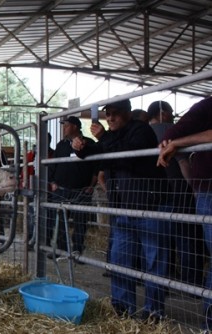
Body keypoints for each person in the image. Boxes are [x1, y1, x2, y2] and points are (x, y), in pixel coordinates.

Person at [72, 99, 169, 320]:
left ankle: (154, 312)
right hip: (123, 208)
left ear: (128, 113)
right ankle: (122, 308)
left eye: (115, 113)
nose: (111, 118)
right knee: (120, 260)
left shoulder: (141, 130)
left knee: (153, 261)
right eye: (108, 114)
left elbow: (128, 156)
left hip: (149, 208)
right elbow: (96, 151)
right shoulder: (112, 136)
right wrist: (81, 147)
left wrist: (103, 137)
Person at [157, 96, 212, 330]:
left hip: (198, 192)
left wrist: (178, 145)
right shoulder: (207, 106)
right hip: (204, 191)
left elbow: (171, 138)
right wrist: (177, 145)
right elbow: (170, 137)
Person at [147, 100, 205, 288]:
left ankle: (163, 278)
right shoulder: (168, 131)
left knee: (158, 238)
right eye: (170, 112)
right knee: (186, 235)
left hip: (151, 193)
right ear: (162, 113)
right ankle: (190, 280)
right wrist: (194, 187)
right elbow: (183, 163)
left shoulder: (143, 132)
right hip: (177, 189)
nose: (172, 116)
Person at [47, 116, 97, 258]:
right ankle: (61, 249)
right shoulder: (61, 144)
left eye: (66, 125)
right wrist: (52, 182)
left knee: (80, 220)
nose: (64, 128)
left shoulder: (89, 143)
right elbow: (54, 163)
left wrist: (91, 185)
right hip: (61, 189)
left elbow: (96, 166)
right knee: (60, 219)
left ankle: (77, 250)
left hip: (81, 189)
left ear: (75, 126)